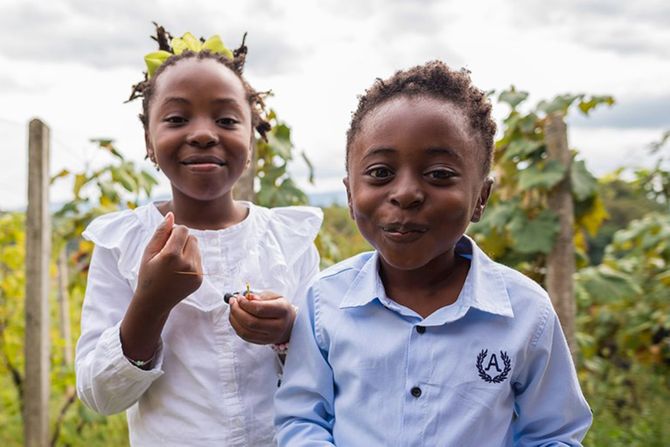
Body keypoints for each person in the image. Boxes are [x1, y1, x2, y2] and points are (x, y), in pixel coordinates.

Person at [274, 61, 592, 446]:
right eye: (380, 172)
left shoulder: (526, 313)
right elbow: (301, 418)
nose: (406, 193)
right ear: (349, 193)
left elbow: (554, 433)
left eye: (439, 173)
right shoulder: (324, 301)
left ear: (481, 198)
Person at [75, 26, 322, 446]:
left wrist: (288, 333)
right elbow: (101, 394)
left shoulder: (288, 239)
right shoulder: (123, 244)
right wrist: (151, 302)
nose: (204, 133)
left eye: (226, 119)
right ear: (149, 142)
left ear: (251, 139)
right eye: (176, 118)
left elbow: (325, 371)